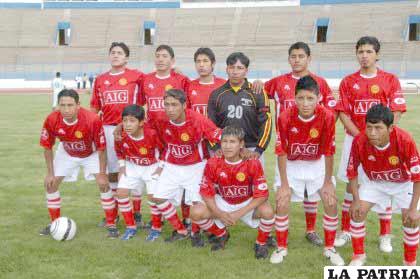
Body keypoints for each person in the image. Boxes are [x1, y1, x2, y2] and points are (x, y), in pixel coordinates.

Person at [334, 36, 407, 251]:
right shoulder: (348, 81)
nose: (364, 56)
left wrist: (380, 136)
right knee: (351, 185)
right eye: (360, 52)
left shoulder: (390, 80)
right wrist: (361, 137)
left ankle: (385, 235)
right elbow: (343, 112)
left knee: (384, 185)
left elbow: (396, 111)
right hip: (355, 140)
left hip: (383, 143)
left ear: (377, 54)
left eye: (368, 52)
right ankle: (346, 230)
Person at [264, 42, 337, 247]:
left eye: (301, 56)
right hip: (289, 146)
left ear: (308, 58)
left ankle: (312, 231)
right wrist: (257, 83)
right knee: (284, 196)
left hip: (313, 144)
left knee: (314, 195)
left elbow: (332, 111)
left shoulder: (320, 82)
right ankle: (280, 244)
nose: (297, 60)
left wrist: (320, 132)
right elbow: (260, 93)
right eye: (293, 56)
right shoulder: (279, 82)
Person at [271, 76, 344, 266]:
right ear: (295, 98)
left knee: (330, 200)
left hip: (316, 164)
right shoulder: (285, 116)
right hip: (292, 164)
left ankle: (329, 248)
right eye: (301, 98)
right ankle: (281, 247)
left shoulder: (327, 116)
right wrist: (285, 185)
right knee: (282, 200)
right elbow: (281, 151)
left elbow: (329, 151)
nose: (305, 103)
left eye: (310, 98)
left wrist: (328, 182)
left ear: (319, 97)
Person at [347, 104, 419, 266]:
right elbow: (352, 172)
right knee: (357, 213)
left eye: (378, 128)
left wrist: (414, 209)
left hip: (403, 184)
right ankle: (358, 256)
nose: (372, 133)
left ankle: (410, 264)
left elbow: (417, 177)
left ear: (391, 128)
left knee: (411, 220)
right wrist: (356, 200)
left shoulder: (404, 140)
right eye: (369, 127)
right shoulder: (359, 140)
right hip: (375, 183)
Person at [39, 89, 118, 238]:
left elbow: (101, 148)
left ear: (78, 105)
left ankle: (111, 223)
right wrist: (50, 173)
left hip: (91, 153)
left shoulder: (92, 119)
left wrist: (102, 174)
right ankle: (55, 223)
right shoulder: (52, 119)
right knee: (50, 184)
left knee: (104, 184)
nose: (66, 109)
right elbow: (47, 147)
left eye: (70, 105)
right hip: (67, 152)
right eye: (62, 105)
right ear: (58, 105)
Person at [146, 89, 222, 242]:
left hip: (196, 166)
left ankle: (196, 233)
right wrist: (121, 127)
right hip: (172, 165)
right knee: (158, 198)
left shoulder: (198, 120)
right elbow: (143, 125)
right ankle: (181, 230)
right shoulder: (160, 118)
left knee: (195, 204)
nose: (170, 109)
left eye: (174, 105)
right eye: (166, 105)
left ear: (184, 105)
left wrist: (221, 152)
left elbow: (219, 136)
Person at [190, 126, 275, 259]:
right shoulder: (213, 163)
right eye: (224, 142)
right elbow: (206, 192)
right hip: (224, 201)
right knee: (196, 212)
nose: (227, 146)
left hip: (246, 203)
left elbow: (262, 194)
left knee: (268, 211)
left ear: (241, 144)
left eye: (232, 142)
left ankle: (261, 243)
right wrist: (219, 214)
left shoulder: (252, 162)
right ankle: (221, 234)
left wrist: (239, 213)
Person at [90, 42, 144, 228]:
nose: (116, 55)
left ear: (126, 58)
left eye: (120, 53)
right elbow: (95, 107)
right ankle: (113, 213)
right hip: (108, 129)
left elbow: (154, 84)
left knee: (136, 168)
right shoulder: (100, 79)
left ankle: (136, 212)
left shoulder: (136, 76)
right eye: (113, 52)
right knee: (113, 172)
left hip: (132, 128)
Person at [208, 52, 272, 161]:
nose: (235, 72)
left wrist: (259, 150)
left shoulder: (257, 92)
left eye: (240, 68)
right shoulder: (216, 94)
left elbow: (266, 122)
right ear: (226, 69)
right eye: (232, 67)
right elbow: (210, 124)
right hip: (225, 148)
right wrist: (216, 147)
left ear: (246, 71)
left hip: (251, 149)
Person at [114, 105, 164, 240]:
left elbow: (165, 150)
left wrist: (161, 168)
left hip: (152, 166)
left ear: (141, 122)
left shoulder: (152, 134)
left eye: (132, 121)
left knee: (153, 197)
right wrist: (122, 166)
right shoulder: (120, 135)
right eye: (125, 121)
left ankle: (156, 227)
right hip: (132, 165)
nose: (127, 125)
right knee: (121, 193)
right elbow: (119, 151)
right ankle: (131, 226)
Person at [187, 47, 226, 117]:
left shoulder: (223, 84)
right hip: (196, 128)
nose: (201, 65)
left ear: (213, 63)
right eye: (198, 61)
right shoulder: (189, 86)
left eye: (205, 61)